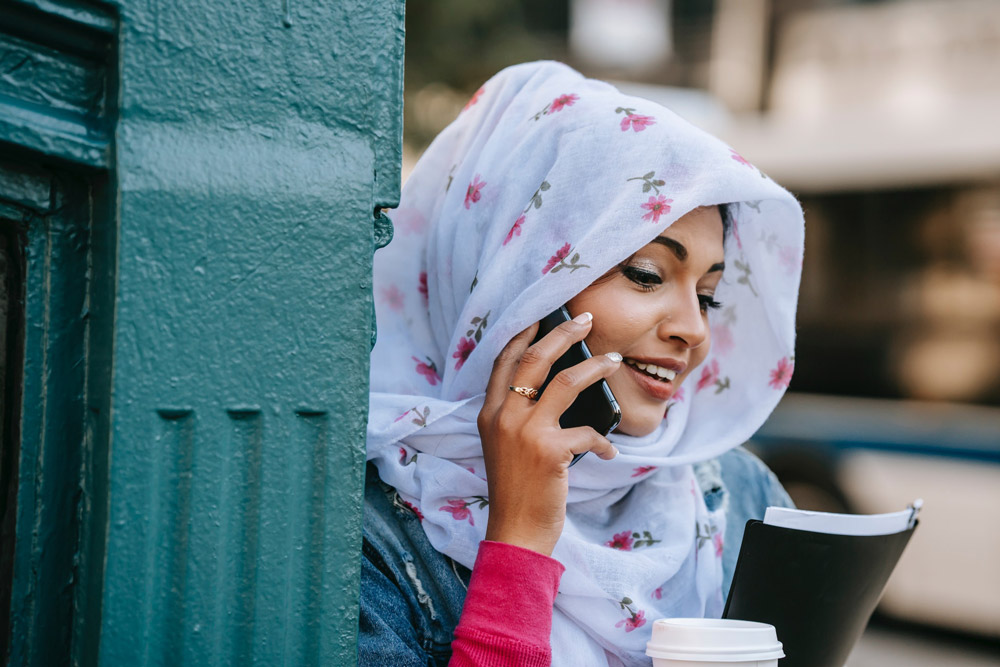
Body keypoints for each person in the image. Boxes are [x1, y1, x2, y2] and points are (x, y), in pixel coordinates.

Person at [359, 61, 804, 666]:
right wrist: (518, 541)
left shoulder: (742, 495)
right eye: (647, 276)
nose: (693, 329)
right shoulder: (366, 535)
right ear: (515, 280)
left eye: (707, 295)